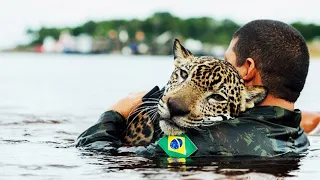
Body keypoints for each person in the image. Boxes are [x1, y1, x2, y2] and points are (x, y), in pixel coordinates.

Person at [76, 20, 315, 157]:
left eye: (226, 60)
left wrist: (117, 111)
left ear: (247, 69)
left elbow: (99, 156)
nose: (219, 66)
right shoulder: (298, 138)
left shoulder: (207, 141)